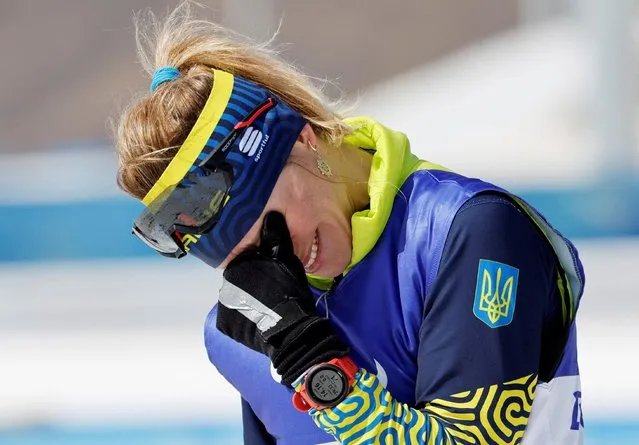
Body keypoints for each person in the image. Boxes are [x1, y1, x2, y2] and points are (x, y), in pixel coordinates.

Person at [114, 3, 585, 444]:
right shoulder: (246, 328)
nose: (280, 259)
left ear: (299, 137)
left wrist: (320, 373)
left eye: (266, 224)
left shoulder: (465, 232)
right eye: (245, 257)